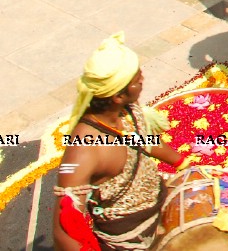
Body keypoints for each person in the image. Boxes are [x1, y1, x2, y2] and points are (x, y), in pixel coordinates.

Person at [52, 34, 186, 251]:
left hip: (160, 201)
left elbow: (143, 138)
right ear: (117, 96)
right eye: (136, 79)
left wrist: (182, 163)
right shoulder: (83, 151)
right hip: (131, 237)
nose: (142, 80)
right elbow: (63, 231)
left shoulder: (127, 110)